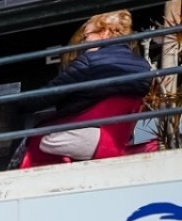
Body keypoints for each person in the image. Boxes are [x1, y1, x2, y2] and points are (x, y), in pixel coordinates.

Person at [25, 11, 154, 164]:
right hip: (117, 139)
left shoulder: (90, 61)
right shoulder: (143, 67)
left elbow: (47, 95)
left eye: (87, 36)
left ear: (105, 32)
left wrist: (16, 103)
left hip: (87, 137)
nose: (84, 43)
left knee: (41, 139)